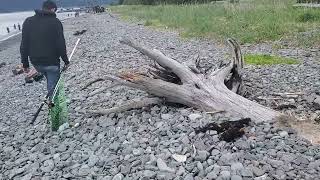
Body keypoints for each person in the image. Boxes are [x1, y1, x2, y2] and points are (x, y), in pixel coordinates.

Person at [20, 0, 70, 98]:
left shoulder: (28, 21)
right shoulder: (55, 22)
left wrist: (25, 64)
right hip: (52, 62)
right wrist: (66, 61)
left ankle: (52, 101)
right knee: (53, 88)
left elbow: (24, 44)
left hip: (36, 62)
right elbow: (60, 44)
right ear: (53, 9)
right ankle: (54, 108)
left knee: (48, 80)